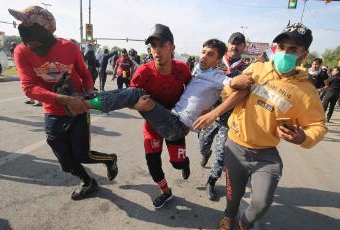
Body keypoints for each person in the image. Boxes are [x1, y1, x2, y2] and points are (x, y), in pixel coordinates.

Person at [193, 22, 327, 230]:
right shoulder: (256, 69)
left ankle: (245, 225)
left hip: (266, 154)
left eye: (293, 49)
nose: (285, 52)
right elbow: (228, 93)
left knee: (261, 202)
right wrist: (233, 84)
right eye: (282, 46)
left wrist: (302, 137)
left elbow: (318, 125)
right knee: (233, 196)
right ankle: (229, 215)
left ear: (303, 55)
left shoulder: (307, 91)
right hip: (235, 147)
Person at [86, 37, 252, 207]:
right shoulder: (187, 70)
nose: (203, 57)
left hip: (175, 124)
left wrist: (224, 95)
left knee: (177, 162)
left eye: (210, 55)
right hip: (162, 119)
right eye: (202, 52)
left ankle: (89, 102)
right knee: (152, 161)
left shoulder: (209, 75)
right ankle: (165, 192)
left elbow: (233, 85)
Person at [9, 5, 118, 200]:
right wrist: (61, 99)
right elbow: (28, 87)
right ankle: (87, 181)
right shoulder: (21, 51)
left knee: (83, 155)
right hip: (52, 112)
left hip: (77, 110)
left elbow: (85, 74)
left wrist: (88, 94)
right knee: (66, 162)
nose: (31, 46)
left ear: (48, 33)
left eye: (35, 41)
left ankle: (109, 159)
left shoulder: (69, 47)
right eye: (28, 41)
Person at [198, 32, 249, 201]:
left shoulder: (246, 69)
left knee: (221, 155)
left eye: (239, 43)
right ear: (228, 44)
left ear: (244, 47)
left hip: (230, 119)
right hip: (209, 114)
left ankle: (211, 182)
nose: (235, 46)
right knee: (202, 144)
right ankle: (205, 153)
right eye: (232, 43)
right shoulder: (215, 62)